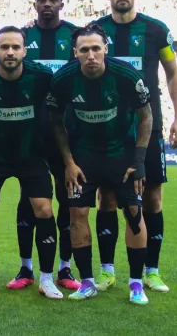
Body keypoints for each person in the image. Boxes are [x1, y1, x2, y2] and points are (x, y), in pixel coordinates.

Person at [92, 0, 177, 293]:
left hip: (149, 126)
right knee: (106, 197)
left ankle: (151, 270)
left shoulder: (156, 30)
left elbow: (173, 73)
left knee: (152, 197)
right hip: (106, 129)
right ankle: (106, 271)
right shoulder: (96, 31)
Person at [47, 24, 152, 305]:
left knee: (134, 212)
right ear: (75, 53)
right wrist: (68, 163)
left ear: (106, 48)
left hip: (122, 153)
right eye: (84, 50)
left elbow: (146, 117)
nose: (91, 55)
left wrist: (139, 160)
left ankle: (136, 283)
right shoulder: (63, 80)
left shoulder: (126, 76)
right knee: (77, 213)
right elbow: (56, 123)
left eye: (96, 48)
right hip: (83, 156)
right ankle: (87, 283)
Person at [0, 26, 62, 300]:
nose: (10, 52)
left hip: (31, 155)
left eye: (15, 47)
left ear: (25, 51)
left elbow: (57, 113)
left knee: (44, 209)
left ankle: (46, 279)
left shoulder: (43, 77)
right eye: (5, 47)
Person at [9, 0, 80, 291]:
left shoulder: (75, 36)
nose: (48, 4)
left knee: (67, 201)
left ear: (62, 3)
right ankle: (25, 268)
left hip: (68, 134)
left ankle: (64, 268)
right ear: (34, 3)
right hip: (32, 134)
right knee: (28, 200)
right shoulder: (23, 36)